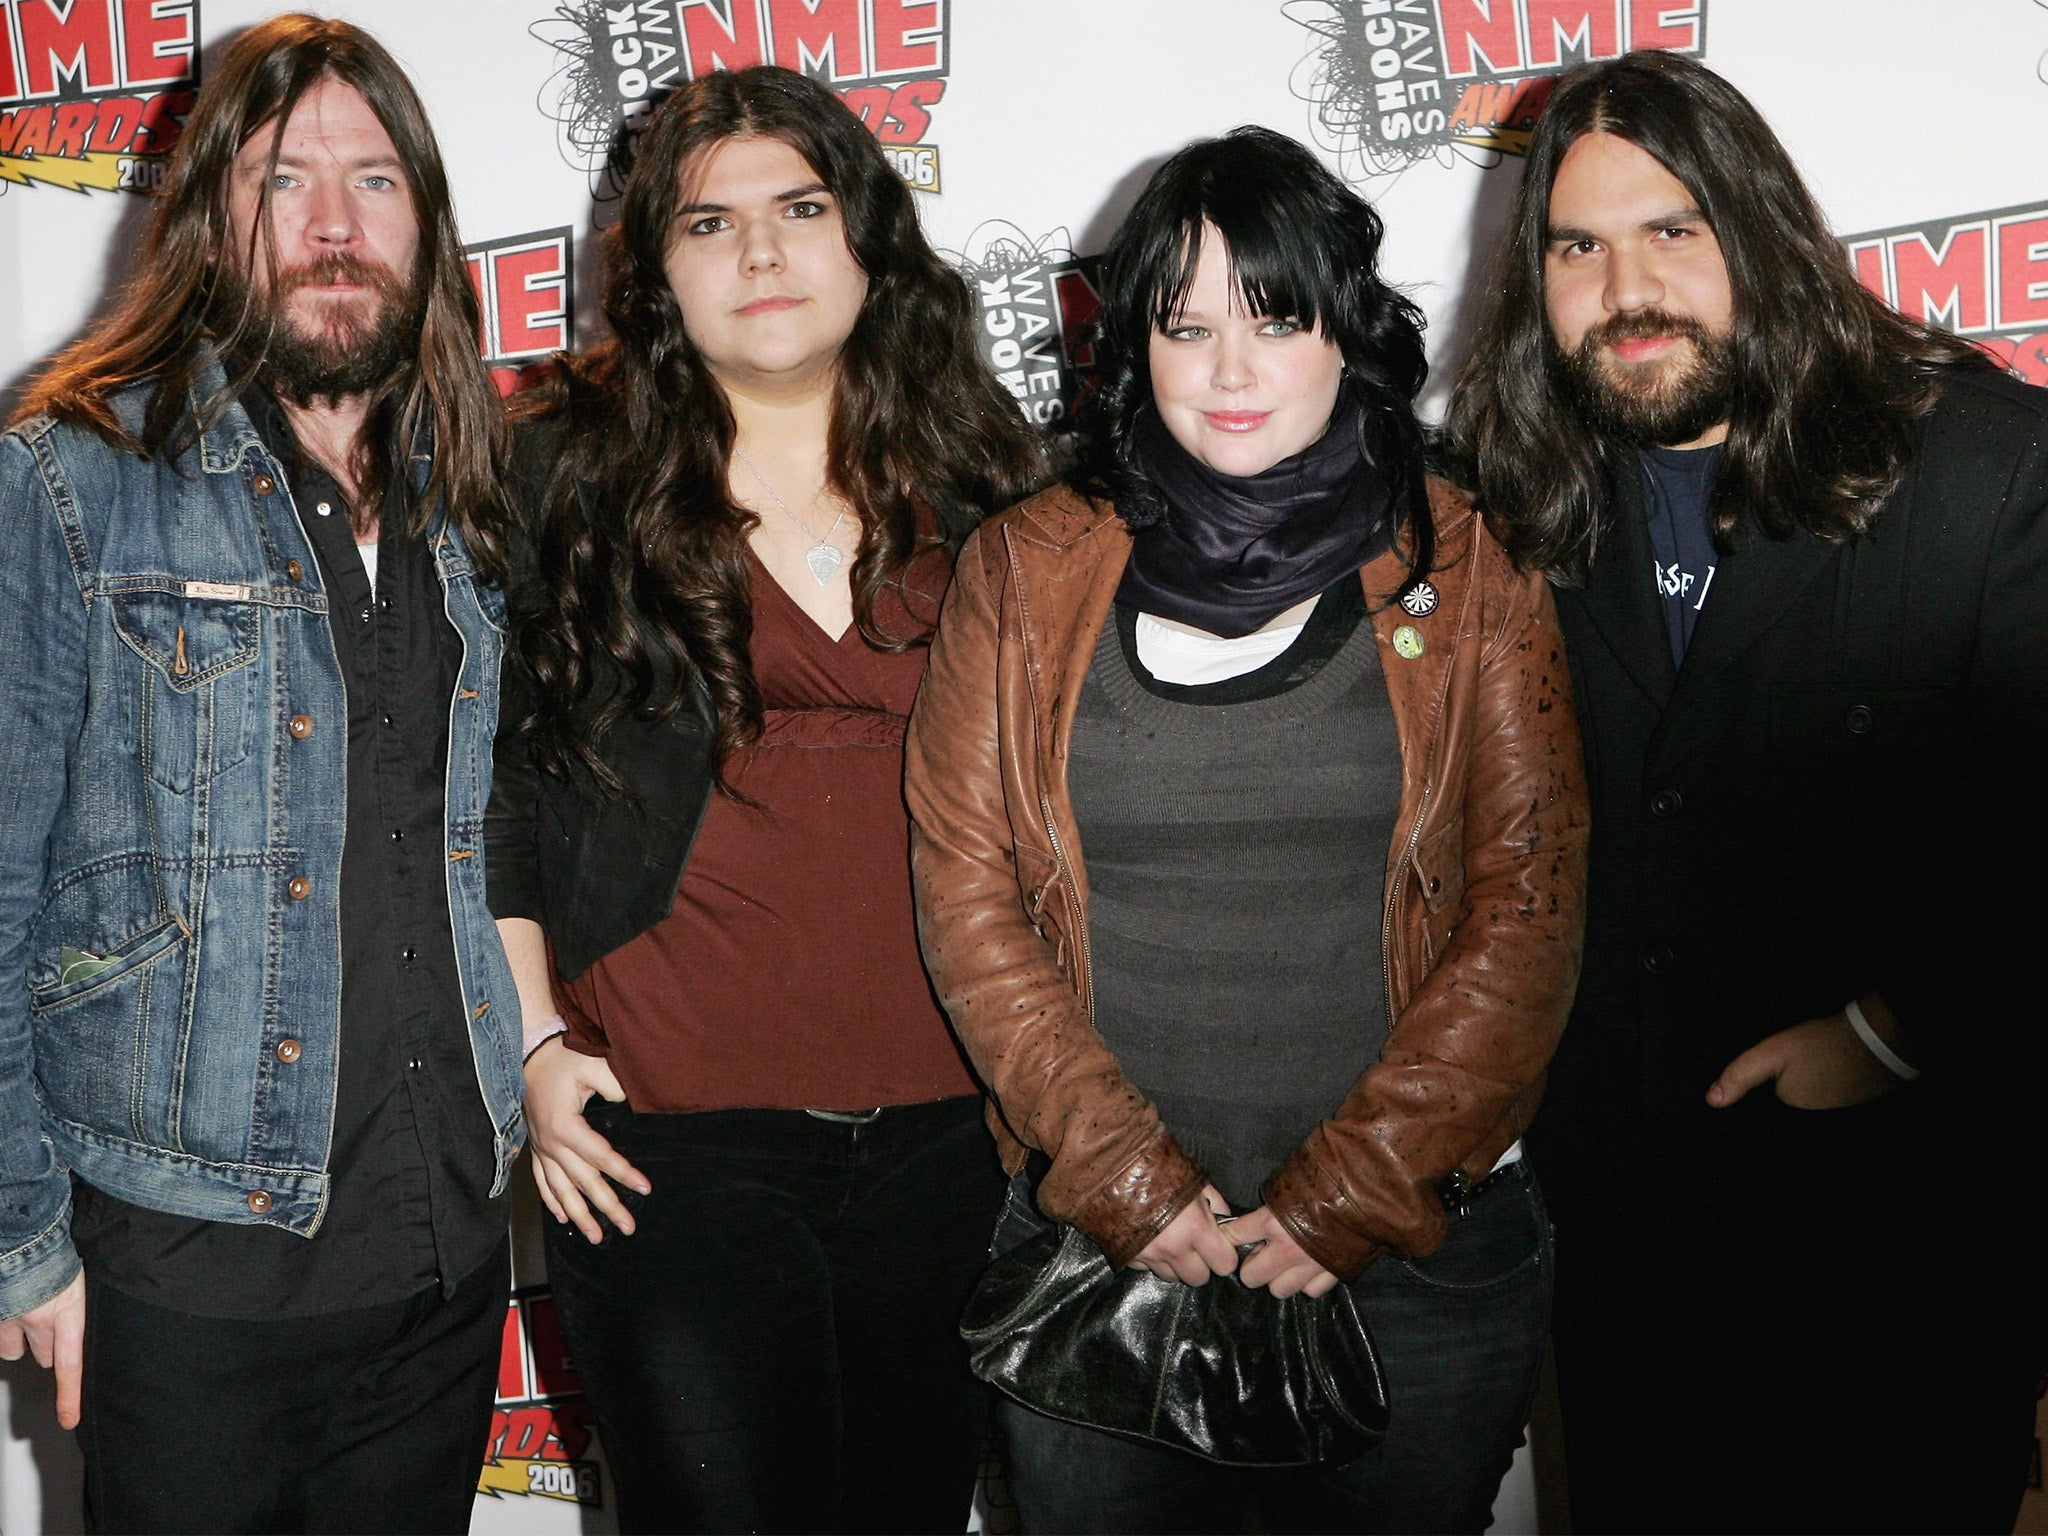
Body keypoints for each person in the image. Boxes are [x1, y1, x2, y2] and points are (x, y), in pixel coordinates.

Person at [904, 126, 1588, 1535]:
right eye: (1186, 323)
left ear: (1349, 330)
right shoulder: (1022, 568)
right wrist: (1125, 1184)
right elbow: (969, 895)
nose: (1227, 369)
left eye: (1275, 320)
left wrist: (1353, 1195)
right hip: (1106, 1257)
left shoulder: (1468, 562)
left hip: (1414, 1258)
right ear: (1131, 345)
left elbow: (1530, 903)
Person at [1444, 49, 2048, 1535]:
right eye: (1578, 245)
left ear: (1761, 233)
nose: (1625, 285)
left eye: (1674, 229)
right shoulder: (1512, 498)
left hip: (1899, 1226)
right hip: (1624, 1222)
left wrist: (1896, 1034)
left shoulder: (1980, 464)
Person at [484, 65, 1044, 1535]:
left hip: (954, 1133)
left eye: (800, 208)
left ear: (867, 234)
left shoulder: (985, 480)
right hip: (673, 1141)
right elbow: (487, 788)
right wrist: (534, 1047)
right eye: (709, 222)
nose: (761, 253)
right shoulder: (564, 479)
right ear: (657, 271)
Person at [0, 15, 522, 1534]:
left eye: (375, 182)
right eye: (286, 180)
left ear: (426, 224)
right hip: (191, 1259)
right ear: (211, 212)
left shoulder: (471, 498)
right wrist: (24, 1239)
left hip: (441, 1253)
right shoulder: (75, 475)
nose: (335, 228)